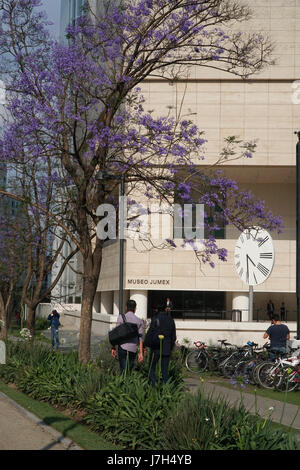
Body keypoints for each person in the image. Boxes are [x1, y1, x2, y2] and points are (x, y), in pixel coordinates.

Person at [111, 299, 144, 373]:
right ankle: (128, 383)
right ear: (135, 308)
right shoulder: (139, 321)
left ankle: (123, 383)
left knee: (123, 370)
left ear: (126, 307)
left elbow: (116, 334)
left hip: (122, 347)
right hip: (133, 348)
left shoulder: (121, 317)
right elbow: (140, 338)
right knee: (129, 370)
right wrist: (141, 353)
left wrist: (113, 347)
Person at [147, 305, 176, 386]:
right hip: (166, 348)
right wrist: (171, 347)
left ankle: (153, 385)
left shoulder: (155, 318)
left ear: (157, 310)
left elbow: (150, 333)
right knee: (165, 370)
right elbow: (173, 337)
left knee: (151, 367)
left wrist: (146, 344)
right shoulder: (171, 320)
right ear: (165, 309)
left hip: (156, 347)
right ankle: (165, 389)